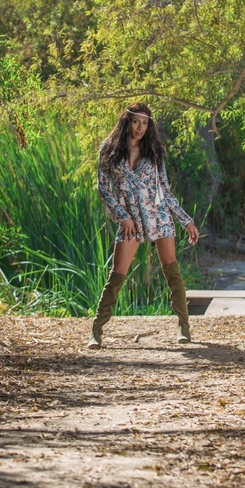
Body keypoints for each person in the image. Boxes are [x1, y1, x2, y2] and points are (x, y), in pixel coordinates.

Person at [89, 102, 199, 348]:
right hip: (131, 220)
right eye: (136, 121)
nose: (140, 127)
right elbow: (103, 189)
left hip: (158, 215)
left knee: (171, 270)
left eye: (145, 122)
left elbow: (165, 192)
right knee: (117, 275)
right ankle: (96, 331)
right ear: (127, 121)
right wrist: (121, 215)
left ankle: (184, 327)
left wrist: (186, 221)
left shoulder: (155, 151)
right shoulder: (108, 150)